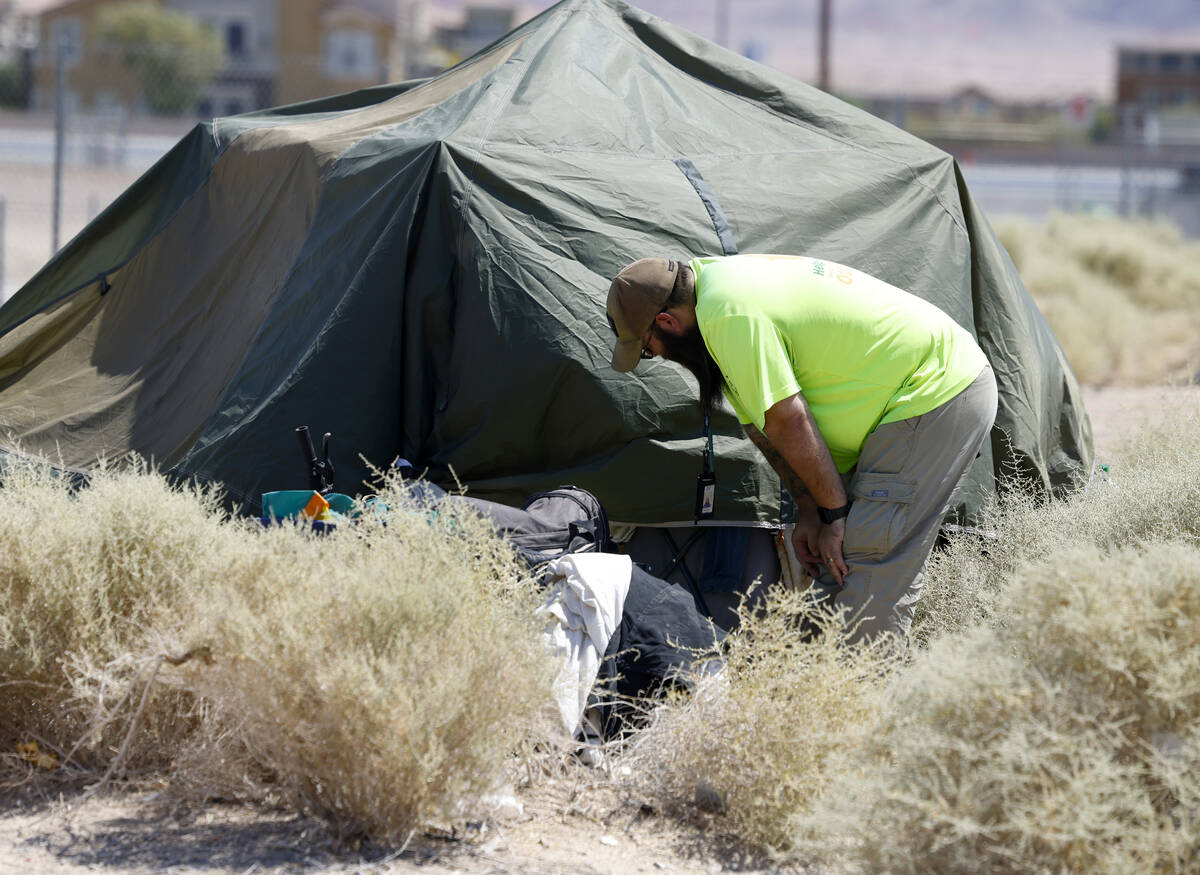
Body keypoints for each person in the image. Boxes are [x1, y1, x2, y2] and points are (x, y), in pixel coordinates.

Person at [605, 254, 997, 644]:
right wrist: (811, 510)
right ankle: (817, 690)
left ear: (667, 323)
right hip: (893, 413)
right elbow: (760, 426)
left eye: (649, 350)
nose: (660, 357)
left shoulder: (729, 313)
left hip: (933, 390)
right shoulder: (713, 290)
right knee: (834, 563)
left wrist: (835, 512)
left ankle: (860, 702)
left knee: (869, 566)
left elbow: (787, 419)